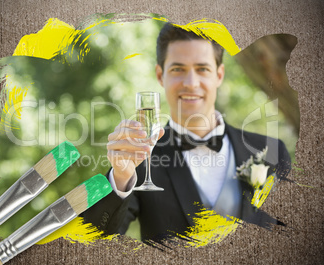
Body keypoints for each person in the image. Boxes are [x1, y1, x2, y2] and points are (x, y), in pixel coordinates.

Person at [83, 23, 291, 242]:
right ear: (160, 75)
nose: (191, 83)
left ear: (219, 75)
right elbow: (94, 241)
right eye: (178, 69)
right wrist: (120, 178)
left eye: (202, 69)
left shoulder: (272, 152)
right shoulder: (141, 157)